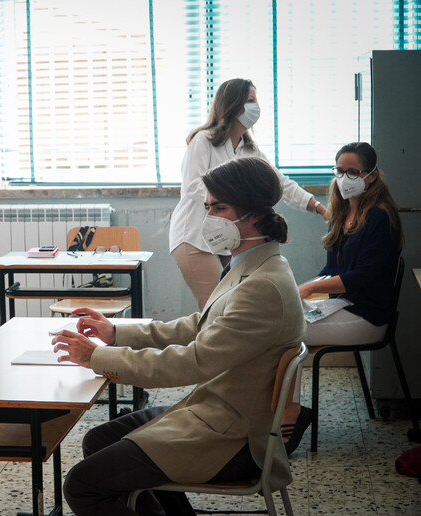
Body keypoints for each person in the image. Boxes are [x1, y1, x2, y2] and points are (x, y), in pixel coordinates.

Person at [52, 156, 305, 515]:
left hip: (234, 439)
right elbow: (199, 326)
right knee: (99, 439)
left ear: (255, 213)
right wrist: (116, 333)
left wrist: (95, 357)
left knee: (82, 485)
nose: (209, 219)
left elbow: (193, 361)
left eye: (219, 207)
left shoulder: (262, 286)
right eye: (207, 208)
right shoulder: (254, 265)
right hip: (219, 411)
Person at [282, 142, 404, 455]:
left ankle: (287, 417)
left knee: (285, 333)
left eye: (353, 172)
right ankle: (278, 413)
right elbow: (331, 271)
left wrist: (308, 291)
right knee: (283, 318)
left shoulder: (379, 217)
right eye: (339, 171)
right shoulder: (344, 213)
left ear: (372, 176)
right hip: (344, 306)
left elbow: (363, 276)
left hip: (368, 316)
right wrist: (299, 289)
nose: (344, 178)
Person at [169, 78, 327, 310]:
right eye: (251, 100)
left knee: (232, 306)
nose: (257, 107)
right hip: (193, 237)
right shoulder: (204, 141)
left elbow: (280, 182)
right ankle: (205, 348)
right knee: (215, 309)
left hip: (226, 237)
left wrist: (319, 207)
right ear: (233, 104)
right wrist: (238, 200)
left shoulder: (250, 150)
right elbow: (193, 186)